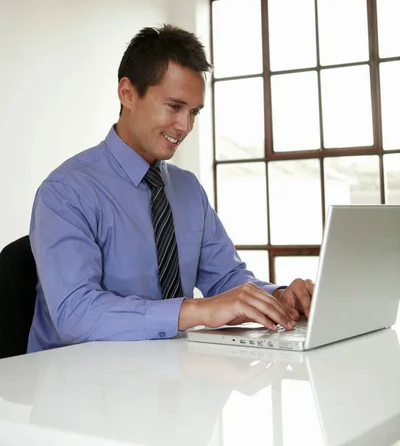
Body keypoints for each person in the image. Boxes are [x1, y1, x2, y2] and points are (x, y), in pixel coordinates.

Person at [28, 25, 314, 352]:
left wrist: (277, 298)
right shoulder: (67, 191)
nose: (185, 126)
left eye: (193, 112)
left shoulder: (187, 189)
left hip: (168, 373)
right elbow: (74, 313)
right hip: (74, 384)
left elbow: (225, 279)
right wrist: (196, 310)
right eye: (174, 106)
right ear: (127, 93)